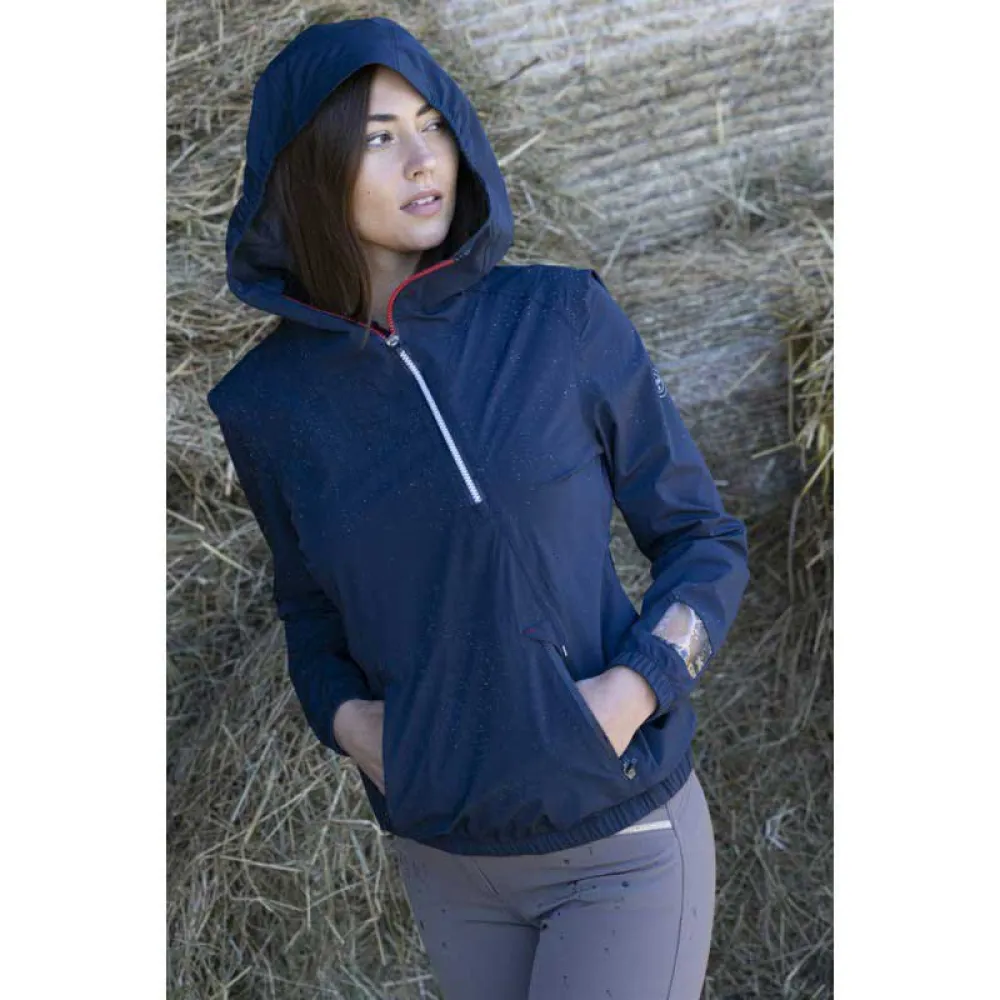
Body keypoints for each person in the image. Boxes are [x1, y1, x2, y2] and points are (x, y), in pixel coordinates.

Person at [207, 16, 749, 1000]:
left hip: (619, 840)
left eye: (433, 124)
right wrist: (351, 724)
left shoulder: (561, 318)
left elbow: (703, 540)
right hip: (448, 862)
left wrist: (635, 691)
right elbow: (310, 612)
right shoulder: (266, 407)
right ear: (309, 170)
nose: (424, 159)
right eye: (379, 137)